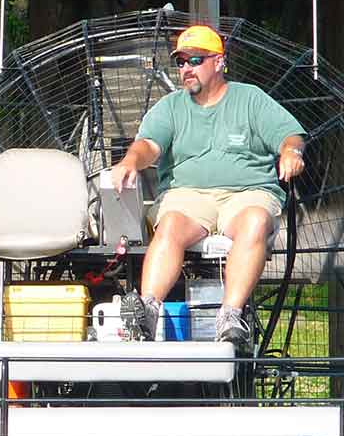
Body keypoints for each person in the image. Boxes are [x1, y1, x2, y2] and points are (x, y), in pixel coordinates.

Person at [110, 24, 306, 348]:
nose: (186, 69)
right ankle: (146, 313)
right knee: (170, 224)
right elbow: (148, 146)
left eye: (195, 60)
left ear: (218, 62)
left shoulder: (251, 99)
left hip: (247, 194)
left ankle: (231, 316)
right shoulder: (171, 107)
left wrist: (290, 152)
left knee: (256, 220)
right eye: (181, 62)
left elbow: (290, 136)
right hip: (188, 197)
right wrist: (130, 162)